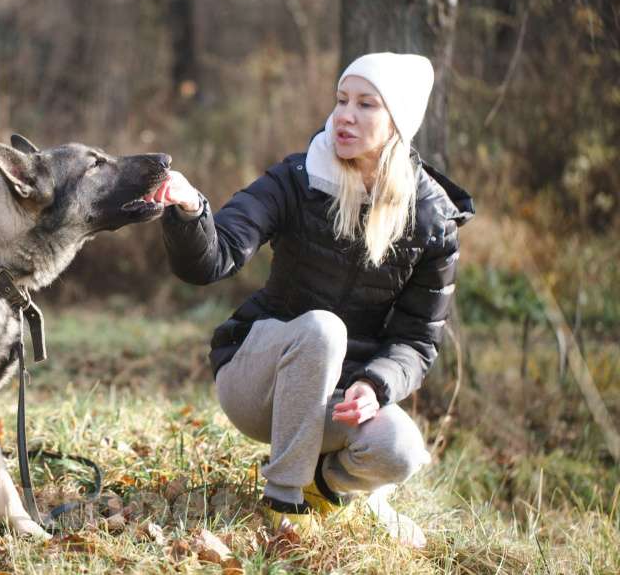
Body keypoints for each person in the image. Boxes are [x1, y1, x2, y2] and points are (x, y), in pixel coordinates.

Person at [145, 52, 474, 545]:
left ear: (398, 122)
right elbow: (214, 258)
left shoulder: (431, 220)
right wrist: (192, 210)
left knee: (401, 450)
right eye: (342, 100)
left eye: (366, 104)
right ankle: (284, 500)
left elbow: (416, 341)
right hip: (258, 381)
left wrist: (376, 384)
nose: (345, 116)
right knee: (323, 328)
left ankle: (324, 484)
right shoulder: (298, 179)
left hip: (335, 400)